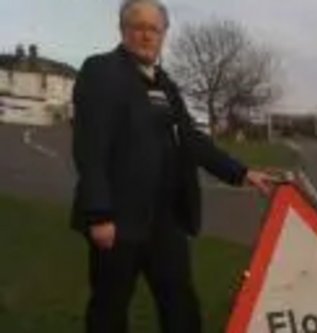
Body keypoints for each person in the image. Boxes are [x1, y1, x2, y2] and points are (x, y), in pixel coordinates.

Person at [70, 1, 277, 332]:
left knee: (181, 305)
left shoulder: (165, 84)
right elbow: (89, 147)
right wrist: (99, 215)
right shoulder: (101, 71)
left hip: (165, 222)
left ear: (164, 34)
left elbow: (192, 140)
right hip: (118, 222)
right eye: (138, 26)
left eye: (155, 28)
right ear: (123, 30)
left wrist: (241, 172)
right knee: (109, 309)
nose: (146, 35)